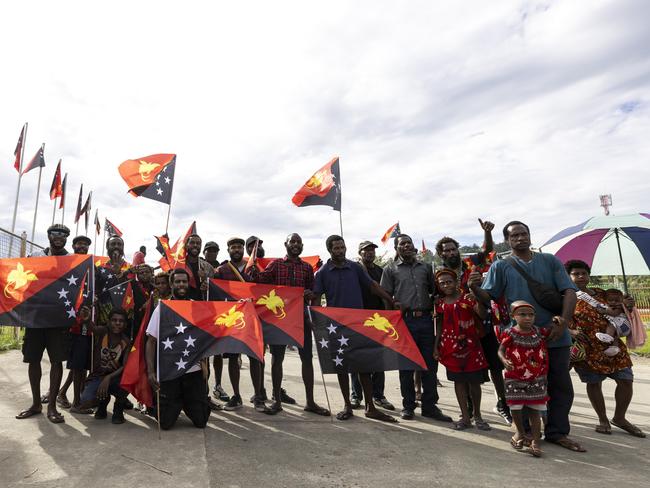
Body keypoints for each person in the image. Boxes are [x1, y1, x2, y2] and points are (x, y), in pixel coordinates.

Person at [469, 221, 584, 452]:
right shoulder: (501, 266)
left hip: (555, 334)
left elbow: (569, 291)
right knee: (523, 386)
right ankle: (526, 432)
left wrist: (564, 321)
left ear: (530, 236)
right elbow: (489, 297)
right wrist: (474, 287)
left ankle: (557, 432)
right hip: (520, 340)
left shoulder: (549, 260)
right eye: (515, 235)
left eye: (524, 233)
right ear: (508, 240)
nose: (520, 238)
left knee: (560, 384)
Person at [312, 235, 397, 422]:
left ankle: (370, 407)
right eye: (336, 248)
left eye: (342, 247)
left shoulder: (355, 267)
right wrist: (317, 324)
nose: (340, 251)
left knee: (364, 366)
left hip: (358, 324)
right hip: (336, 326)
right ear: (330, 250)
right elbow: (316, 299)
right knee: (341, 367)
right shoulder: (323, 272)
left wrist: (390, 299)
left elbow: (373, 286)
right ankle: (347, 405)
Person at [436, 219, 511, 425]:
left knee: (496, 366)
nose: (451, 253)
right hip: (461, 333)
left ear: (457, 249)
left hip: (483, 324)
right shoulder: (442, 275)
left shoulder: (471, 263)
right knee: (465, 373)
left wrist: (486, 233)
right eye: (446, 251)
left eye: (453, 249)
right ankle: (468, 411)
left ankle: (502, 403)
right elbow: (438, 303)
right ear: (441, 254)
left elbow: (487, 250)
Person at [250, 233, 330, 417]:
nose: (295, 244)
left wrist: (310, 296)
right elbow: (260, 282)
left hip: (301, 318)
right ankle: (277, 401)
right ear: (285, 244)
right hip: (281, 320)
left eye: (298, 242)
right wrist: (253, 270)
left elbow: (313, 292)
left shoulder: (307, 268)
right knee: (277, 359)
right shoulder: (276, 265)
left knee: (307, 358)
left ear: (302, 246)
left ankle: (310, 402)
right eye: (292, 241)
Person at [565, 260, 644, 437]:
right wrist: (572, 331)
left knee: (625, 380)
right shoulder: (566, 297)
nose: (580, 277)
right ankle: (603, 419)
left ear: (588, 275)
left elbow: (619, 308)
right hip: (588, 346)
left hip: (613, 343)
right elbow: (558, 319)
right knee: (594, 383)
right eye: (575, 274)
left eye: (583, 273)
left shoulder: (603, 293)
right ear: (568, 277)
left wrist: (628, 304)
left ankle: (620, 417)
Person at [380, 234, 451, 422]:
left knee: (430, 366)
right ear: (396, 248)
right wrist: (392, 320)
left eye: (409, 243)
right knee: (406, 367)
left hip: (426, 321)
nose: (406, 246)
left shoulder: (426, 268)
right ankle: (408, 406)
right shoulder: (390, 270)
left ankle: (429, 406)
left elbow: (434, 292)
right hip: (404, 323)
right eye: (402, 244)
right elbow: (386, 297)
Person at [16, 224, 72, 424]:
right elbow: (24, 282)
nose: (59, 237)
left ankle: (52, 407)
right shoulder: (35, 257)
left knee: (57, 361)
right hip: (36, 317)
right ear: (48, 236)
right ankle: (36, 403)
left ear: (66, 238)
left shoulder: (72, 261)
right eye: (55, 233)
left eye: (64, 234)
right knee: (33, 360)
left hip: (57, 320)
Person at [145, 268, 211, 430]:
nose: (181, 284)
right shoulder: (162, 308)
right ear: (171, 284)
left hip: (193, 371)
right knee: (165, 423)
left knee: (201, 421)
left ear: (188, 284)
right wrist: (151, 372)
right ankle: (169, 402)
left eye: (184, 281)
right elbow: (151, 341)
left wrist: (243, 304)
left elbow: (210, 333)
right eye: (177, 281)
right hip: (170, 373)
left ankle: (188, 400)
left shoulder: (197, 307)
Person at [214, 237, 269, 413]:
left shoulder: (252, 268)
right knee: (232, 358)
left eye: (239, 247)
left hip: (253, 319)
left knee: (255, 358)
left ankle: (258, 396)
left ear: (243, 249)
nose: (236, 250)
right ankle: (236, 396)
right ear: (228, 249)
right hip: (233, 320)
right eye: (233, 247)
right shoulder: (221, 270)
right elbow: (215, 293)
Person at [433, 269, 490, 431]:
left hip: (472, 347)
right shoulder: (440, 304)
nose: (446, 285)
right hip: (450, 348)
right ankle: (465, 417)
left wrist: (477, 300)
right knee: (458, 382)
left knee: (474, 383)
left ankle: (478, 416)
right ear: (439, 286)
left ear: (456, 282)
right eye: (442, 283)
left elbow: (483, 315)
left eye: (449, 281)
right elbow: (439, 326)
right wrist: (436, 347)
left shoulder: (467, 297)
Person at [498, 301, 550, 457]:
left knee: (536, 410)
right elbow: (500, 350)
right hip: (515, 377)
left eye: (531, 315)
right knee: (516, 408)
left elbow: (555, 330)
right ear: (513, 316)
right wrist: (504, 360)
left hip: (536, 377)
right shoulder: (510, 333)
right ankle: (520, 433)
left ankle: (535, 440)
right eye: (522, 314)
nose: (527, 318)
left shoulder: (538, 332)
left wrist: (558, 322)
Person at [350, 241, 393, 410]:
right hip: (358, 319)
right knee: (356, 359)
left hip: (378, 320)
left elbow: (386, 293)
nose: (369, 253)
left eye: (372, 250)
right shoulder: (354, 269)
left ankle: (378, 395)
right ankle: (356, 395)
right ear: (360, 252)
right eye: (366, 250)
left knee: (378, 359)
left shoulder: (380, 271)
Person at [57, 235, 94, 415]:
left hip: (87, 324)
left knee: (80, 365)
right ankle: (76, 403)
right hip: (73, 324)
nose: (83, 246)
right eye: (79, 243)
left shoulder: (91, 266)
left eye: (86, 244)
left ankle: (63, 393)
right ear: (73, 245)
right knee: (78, 366)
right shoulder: (68, 264)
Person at [79, 307, 131, 424]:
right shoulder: (103, 332)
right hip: (98, 376)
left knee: (128, 383)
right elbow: (93, 328)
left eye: (121, 321)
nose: (117, 323)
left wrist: (109, 378)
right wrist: (87, 320)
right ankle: (102, 403)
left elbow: (125, 366)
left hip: (116, 378)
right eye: (114, 320)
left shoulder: (126, 342)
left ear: (125, 324)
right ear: (108, 322)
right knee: (86, 401)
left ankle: (118, 408)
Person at [202, 241, 229, 402]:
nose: (212, 253)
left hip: (218, 315)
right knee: (204, 355)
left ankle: (218, 386)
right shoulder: (198, 266)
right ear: (204, 252)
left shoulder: (221, 270)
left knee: (218, 353)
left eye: (215, 250)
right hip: (202, 315)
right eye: (209, 250)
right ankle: (203, 387)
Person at [185, 234, 214, 301]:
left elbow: (213, 291)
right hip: (183, 304)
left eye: (198, 243)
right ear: (186, 245)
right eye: (192, 243)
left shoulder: (208, 267)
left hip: (202, 305)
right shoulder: (180, 265)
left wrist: (204, 279)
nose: (195, 245)